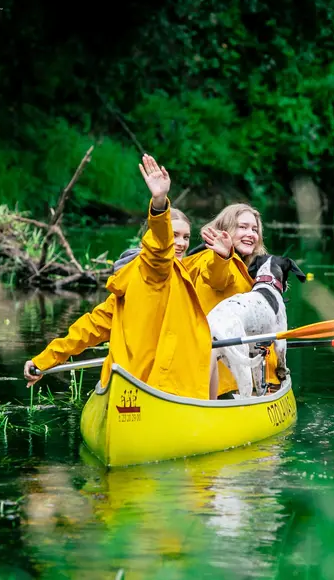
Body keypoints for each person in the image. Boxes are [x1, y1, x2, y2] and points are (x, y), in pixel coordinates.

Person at [23, 155, 213, 400]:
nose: (181, 243)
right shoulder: (155, 269)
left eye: (186, 238)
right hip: (160, 388)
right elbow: (159, 250)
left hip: (142, 388)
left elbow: (87, 329)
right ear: (153, 239)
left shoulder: (161, 279)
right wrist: (158, 203)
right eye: (174, 235)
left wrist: (43, 361)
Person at [182, 203, 281, 398]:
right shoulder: (211, 259)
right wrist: (222, 255)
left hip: (237, 370)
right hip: (220, 378)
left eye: (255, 229)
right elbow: (217, 279)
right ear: (225, 230)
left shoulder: (250, 269)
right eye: (242, 227)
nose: (251, 234)